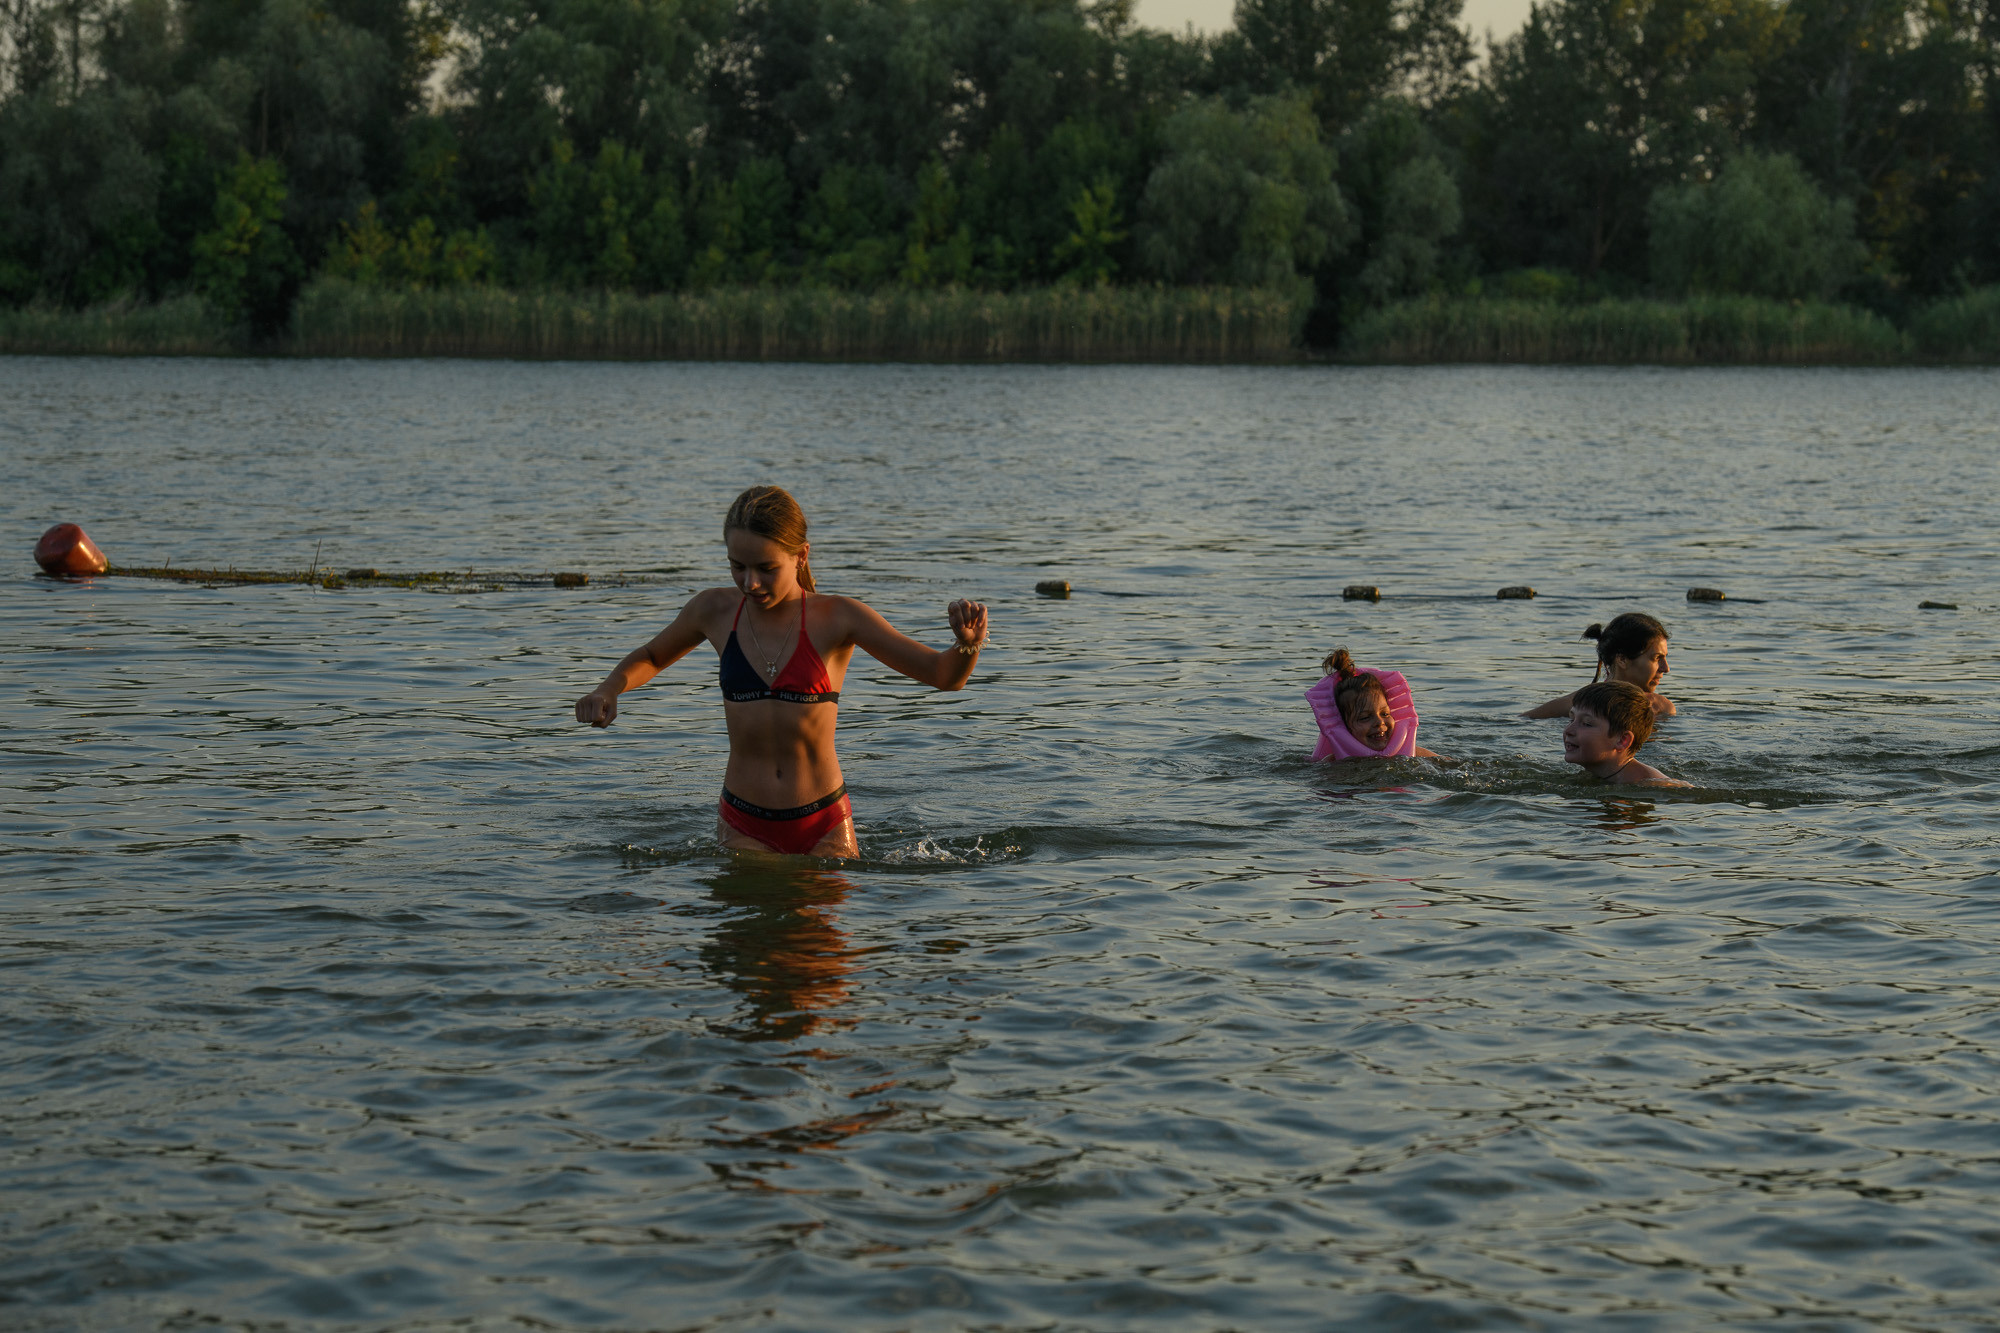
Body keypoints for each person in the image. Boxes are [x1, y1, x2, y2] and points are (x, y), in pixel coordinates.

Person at [573, 485, 988, 858]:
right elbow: (653, 655)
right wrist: (610, 688)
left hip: (824, 824)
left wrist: (966, 644)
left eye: (765, 569)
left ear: (800, 555)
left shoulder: (839, 617)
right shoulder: (713, 610)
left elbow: (943, 675)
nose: (749, 583)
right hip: (743, 822)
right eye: (737, 566)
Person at [1523, 612, 1675, 719]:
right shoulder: (1579, 703)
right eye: (1657, 658)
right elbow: (1520, 721)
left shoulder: (1662, 708)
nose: (1666, 668)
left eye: (1665, 658)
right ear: (1622, 659)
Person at [1307, 648, 1441, 760]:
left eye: (1385, 714)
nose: (1379, 722)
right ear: (1344, 727)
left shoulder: (1414, 754)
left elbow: (1455, 765)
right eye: (1365, 717)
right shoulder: (1332, 764)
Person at [1562, 681, 1686, 786]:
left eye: (1587, 723)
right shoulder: (1600, 771)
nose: (1568, 730)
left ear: (1622, 740)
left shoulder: (1647, 784)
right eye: (1571, 720)